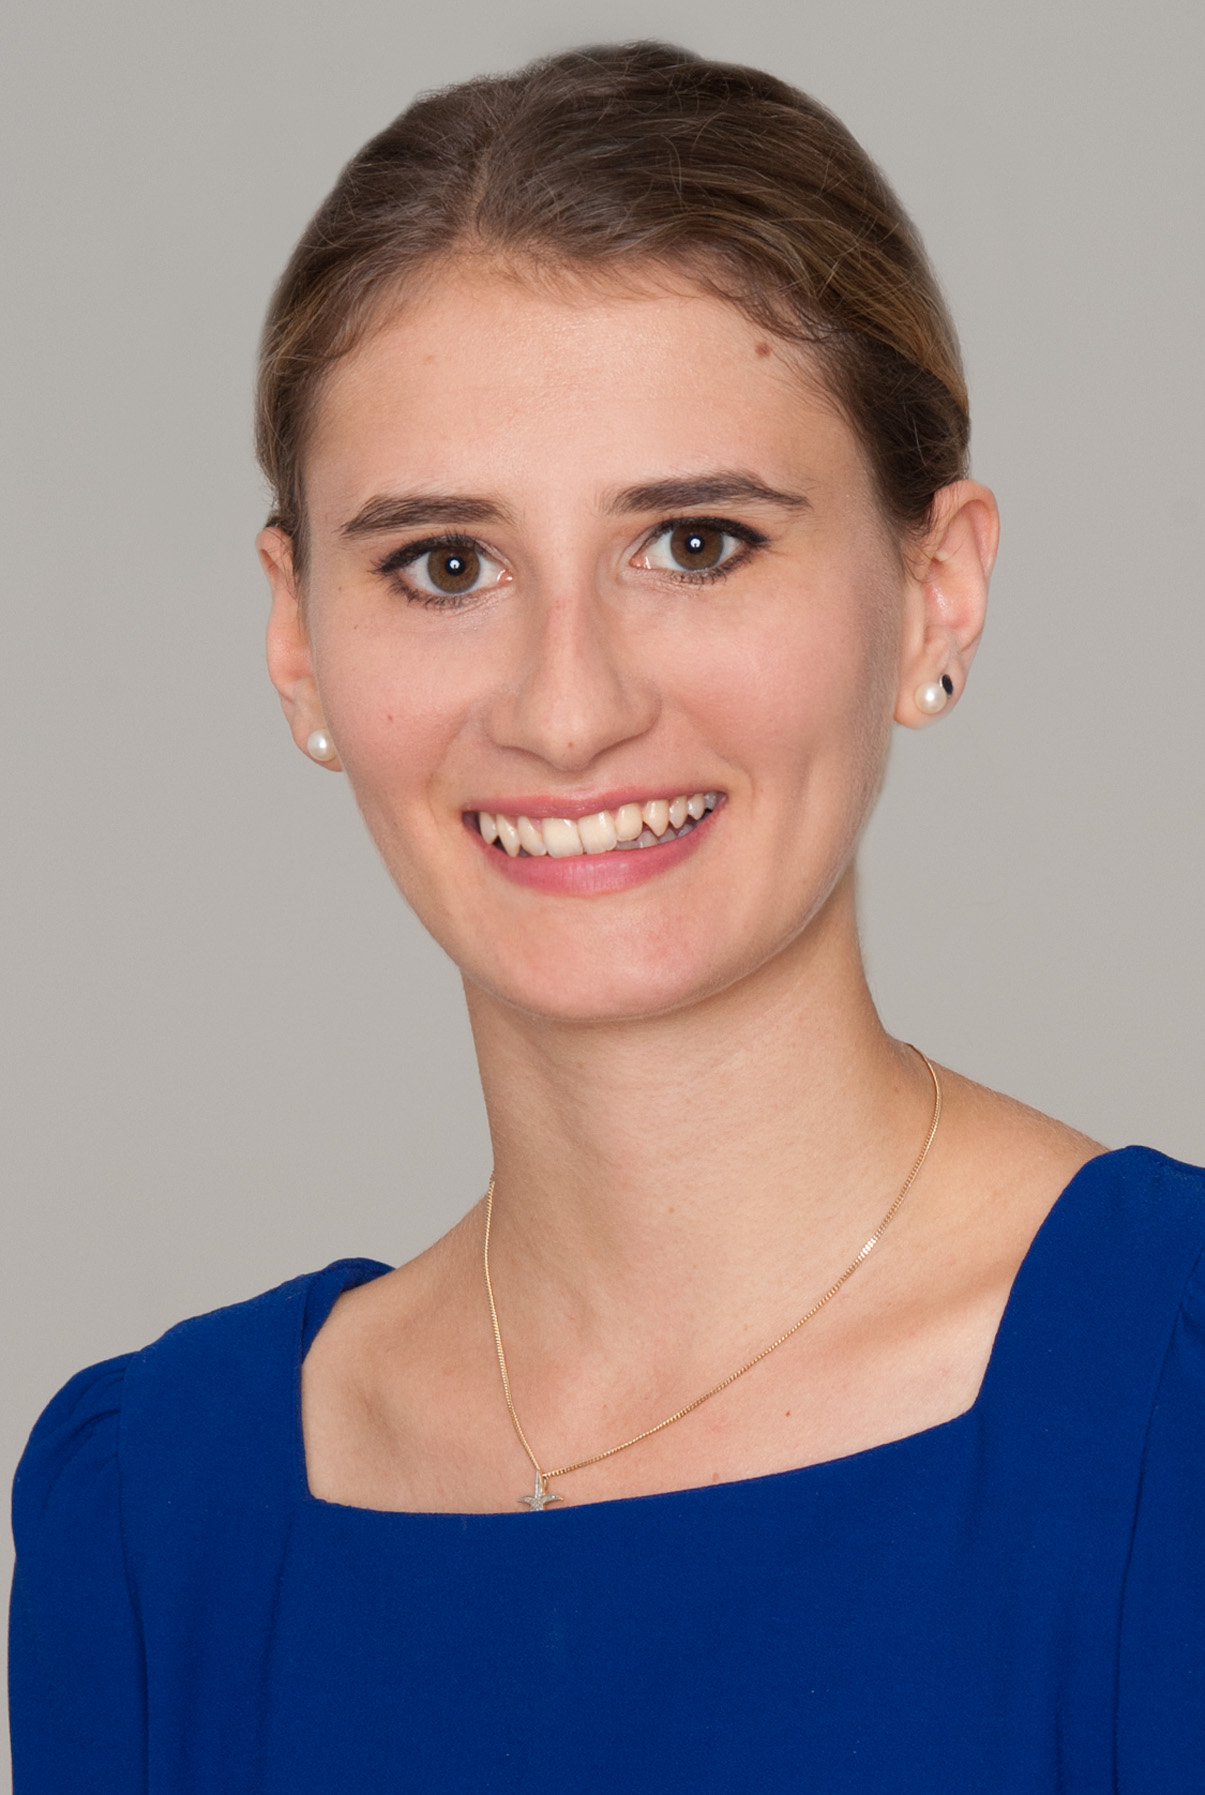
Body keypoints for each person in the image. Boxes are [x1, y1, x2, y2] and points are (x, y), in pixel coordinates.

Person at [9, 40, 1203, 1793]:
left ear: (933, 590)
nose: (566, 711)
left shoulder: (1171, 1406)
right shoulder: (157, 1523)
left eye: (695, 543)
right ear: (297, 638)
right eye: (445, 565)